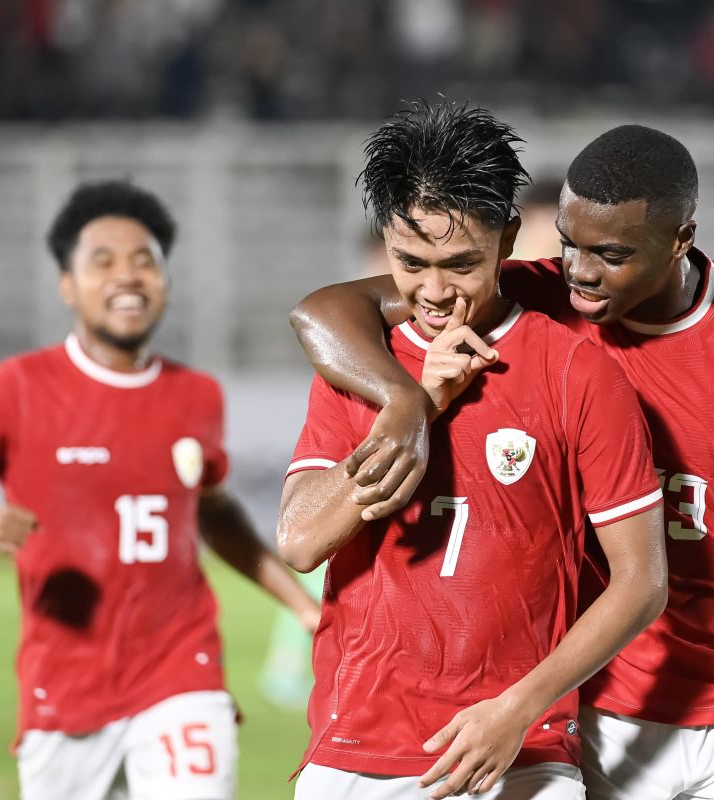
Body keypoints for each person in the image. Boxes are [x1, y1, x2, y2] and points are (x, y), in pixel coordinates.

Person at [288, 123, 714, 799]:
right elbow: (329, 308)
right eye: (568, 244)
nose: (581, 272)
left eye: (610, 254)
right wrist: (406, 399)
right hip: (597, 701)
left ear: (680, 239)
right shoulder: (533, 295)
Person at [275, 99, 668, 800]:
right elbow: (302, 540)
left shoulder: (577, 371)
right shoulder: (364, 365)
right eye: (409, 261)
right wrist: (421, 405)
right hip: (359, 750)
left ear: (509, 239)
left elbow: (641, 582)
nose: (432, 290)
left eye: (460, 263)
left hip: (523, 753)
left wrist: (518, 710)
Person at [0, 180, 322, 800]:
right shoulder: (19, 387)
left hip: (182, 676)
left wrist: (297, 605)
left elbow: (212, 513)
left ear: (165, 280)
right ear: (68, 286)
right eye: (102, 261)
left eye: (144, 260)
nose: (127, 276)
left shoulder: (196, 395)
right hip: (65, 689)